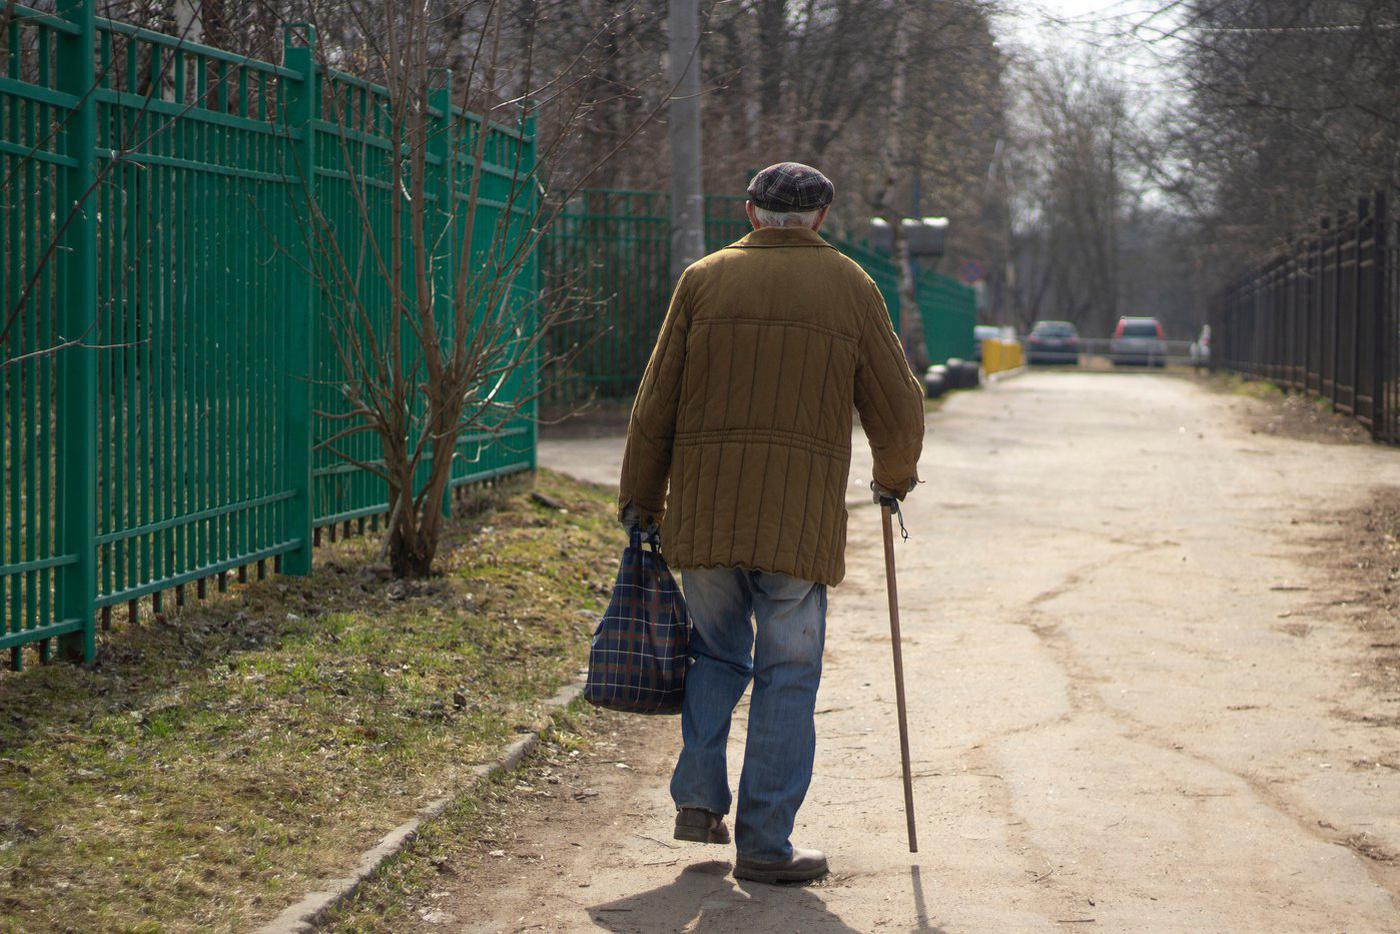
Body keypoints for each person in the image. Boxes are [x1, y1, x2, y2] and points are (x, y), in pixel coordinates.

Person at [617, 162, 925, 884]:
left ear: (752, 212)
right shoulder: (852, 286)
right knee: (788, 674)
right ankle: (763, 844)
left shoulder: (703, 279)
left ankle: (697, 799)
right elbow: (899, 403)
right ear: (822, 217)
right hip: (799, 523)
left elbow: (654, 401)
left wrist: (642, 500)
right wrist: (892, 480)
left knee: (715, 655)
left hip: (707, 513)